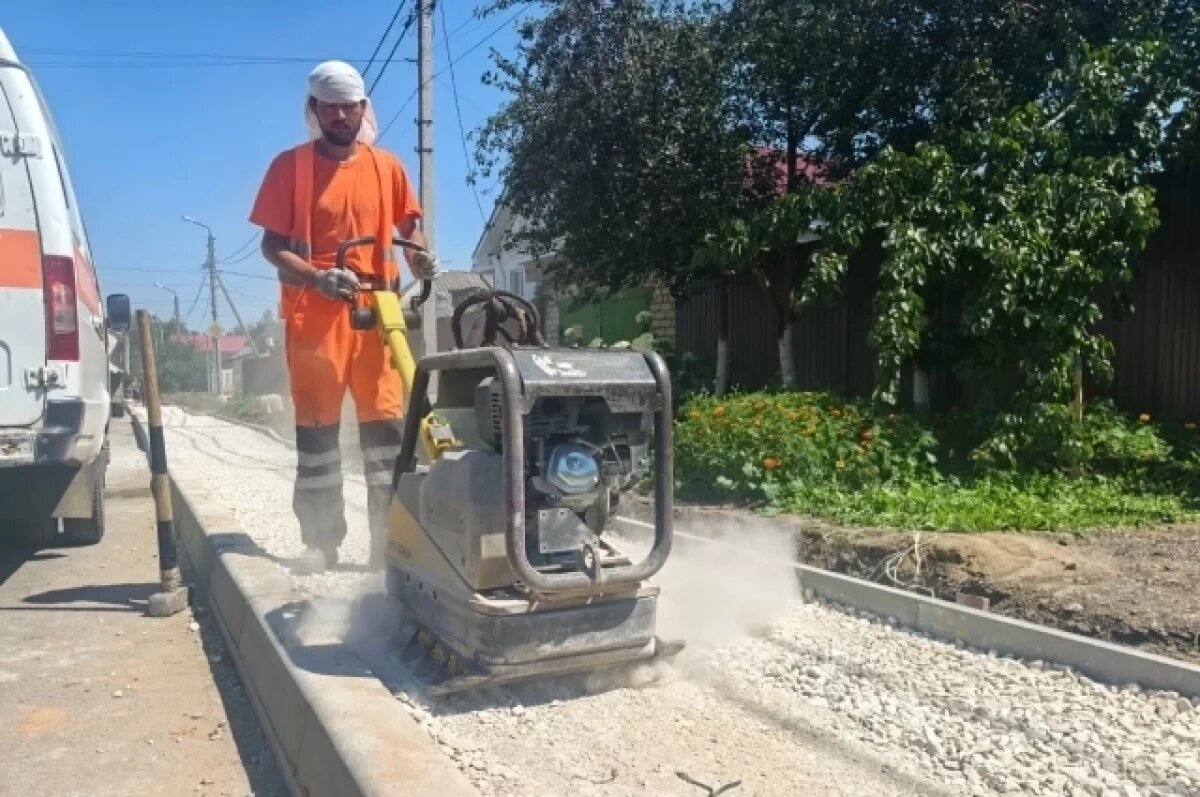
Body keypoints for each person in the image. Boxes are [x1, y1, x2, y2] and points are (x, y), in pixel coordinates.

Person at [249, 61, 439, 574]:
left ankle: (389, 544)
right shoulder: (290, 168)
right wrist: (316, 277)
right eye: (330, 107)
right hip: (316, 314)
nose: (339, 116)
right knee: (317, 431)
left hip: (379, 314)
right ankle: (320, 541)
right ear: (314, 109)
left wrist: (419, 258)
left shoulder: (387, 167)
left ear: (362, 109)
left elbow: (410, 231)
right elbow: (271, 245)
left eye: (348, 107)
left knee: (385, 430)